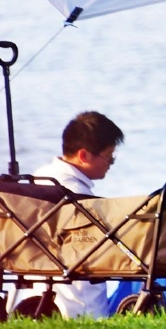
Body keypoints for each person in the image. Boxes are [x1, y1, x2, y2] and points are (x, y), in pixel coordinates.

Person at [30, 111, 144, 318]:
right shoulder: (79, 198)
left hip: (36, 294)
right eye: (109, 158)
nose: (110, 164)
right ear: (83, 156)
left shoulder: (37, 179)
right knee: (148, 257)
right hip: (82, 305)